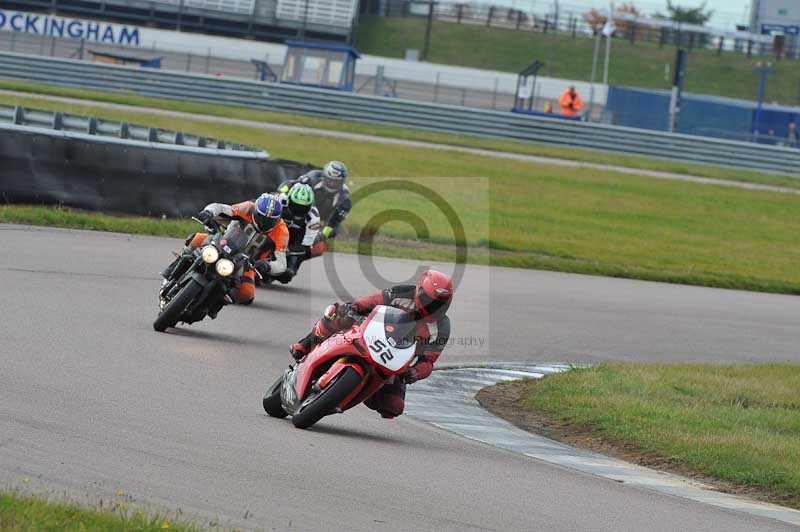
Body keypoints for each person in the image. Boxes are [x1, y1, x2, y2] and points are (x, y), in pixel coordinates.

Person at [289, 269, 454, 419]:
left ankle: (357, 391)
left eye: (441, 304)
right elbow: (372, 300)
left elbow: (428, 361)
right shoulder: (402, 293)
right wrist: (353, 308)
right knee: (337, 312)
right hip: (369, 333)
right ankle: (306, 344)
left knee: (393, 406)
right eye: (430, 301)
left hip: (394, 359)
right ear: (420, 292)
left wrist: (414, 373)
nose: (434, 307)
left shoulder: (442, 327)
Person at [163, 193, 288, 305]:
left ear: (278, 219)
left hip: (246, 264)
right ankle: (172, 270)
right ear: (255, 210)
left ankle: (211, 304)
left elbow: (281, 264)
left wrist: (267, 266)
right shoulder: (248, 207)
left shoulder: (282, 232)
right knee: (197, 239)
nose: (264, 222)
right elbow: (221, 208)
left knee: (246, 295)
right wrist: (209, 212)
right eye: (262, 217)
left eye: (269, 221)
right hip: (224, 243)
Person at [278, 161, 352, 243]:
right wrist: (280, 193)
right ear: (324, 177)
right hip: (298, 209)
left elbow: (333, 223)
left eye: (336, 181)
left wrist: (321, 235)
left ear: (342, 181)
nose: (332, 183)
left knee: (320, 245)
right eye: (330, 180)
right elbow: (292, 184)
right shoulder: (312, 177)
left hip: (317, 220)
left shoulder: (345, 200)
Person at [270, 183, 321, 283]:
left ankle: (291, 266)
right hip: (271, 229)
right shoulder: (279, 199)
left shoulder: (313, 217)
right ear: (289, 200)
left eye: (303, 207)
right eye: (295, 206)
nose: (299, 210)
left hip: (293, 240)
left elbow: (305, 245)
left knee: (286, 276)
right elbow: (259, 205)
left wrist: (287, 250)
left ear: (310, 205)